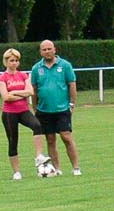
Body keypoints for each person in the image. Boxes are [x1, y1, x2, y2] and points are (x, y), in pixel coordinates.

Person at [31, 40, 81, 176]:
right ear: (41, 52)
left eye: (49, 49)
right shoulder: (36, 68)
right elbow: (34, 89)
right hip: (44, 110)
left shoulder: (65, 65)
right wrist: (35, 107)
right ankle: (56, 168)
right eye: (44, 49)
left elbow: (72, 85)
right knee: (50, 139)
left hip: (62, 109)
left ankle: (76, 167)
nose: (47, 51)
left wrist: (72, 103)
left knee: (66, 137)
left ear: (54, 49)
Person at [0, 48, 50, 180]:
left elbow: (30, 92)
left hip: (23, 110)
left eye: (16, 60)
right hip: (9, 113)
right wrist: (21, 94)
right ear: (6, 61)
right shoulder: (2, 77)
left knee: (37, 125)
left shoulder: (23, 75)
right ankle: (16, 172)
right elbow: (6, 97)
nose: (14, 63)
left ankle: (39, 156)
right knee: (13, 141)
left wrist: (14, 93)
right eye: (11, 60)